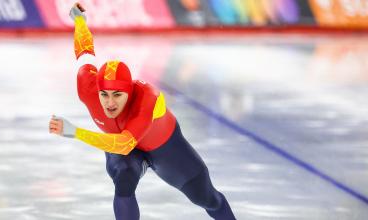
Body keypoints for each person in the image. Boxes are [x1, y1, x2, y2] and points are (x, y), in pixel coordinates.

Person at [48, 3, 236, 220]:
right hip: (125, 146)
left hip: (163, 145)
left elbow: (123, 143)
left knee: (207, 199)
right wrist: (79, 20)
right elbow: (85, 50)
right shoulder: (87, 87)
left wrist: (75, 132)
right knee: (124, 177)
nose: (109, 103)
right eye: (105, 95)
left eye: (118, 95)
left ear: (130, 91)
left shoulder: (148, 98)